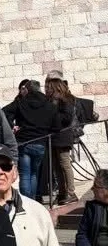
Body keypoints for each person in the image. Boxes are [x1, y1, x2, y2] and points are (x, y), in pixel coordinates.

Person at [7, 80, 59, 200]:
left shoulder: (21, 102)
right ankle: (33, 201)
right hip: (40, 142)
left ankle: (26, 203)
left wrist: (11, 126)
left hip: (24, 142)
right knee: (34, 174)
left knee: (25, 174)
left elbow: (4, 111)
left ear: (28, 89)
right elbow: (57, 126)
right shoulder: (49, 104)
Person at [45, 75, 84, 205]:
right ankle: (62, 192)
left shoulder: (65, 100)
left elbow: (66, 118)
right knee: (57, 166)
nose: (47, 90)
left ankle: (71, 192)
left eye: (49, 87)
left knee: (65, 164)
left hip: (62, 136)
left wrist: (53, 116)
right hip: (54, 137)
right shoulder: (51, 101)